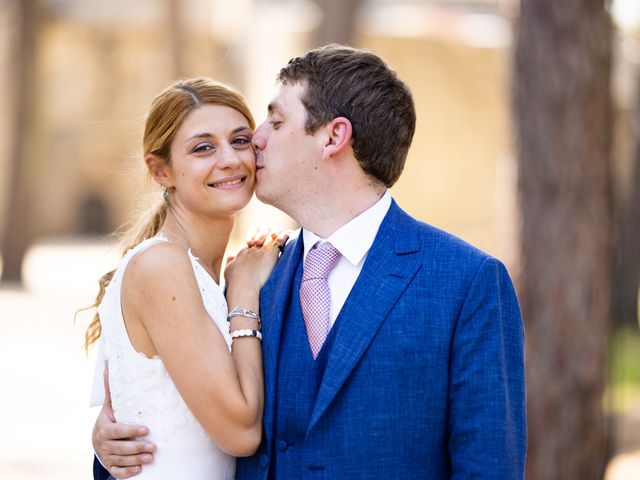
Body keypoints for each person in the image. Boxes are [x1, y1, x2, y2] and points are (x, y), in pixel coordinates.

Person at [93, 45, 526, 479]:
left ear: (334, 137)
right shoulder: (251, 275)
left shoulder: (466, 282)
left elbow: (488, 467)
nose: (255, 140)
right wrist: (110, 445)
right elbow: (168, 418)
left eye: (275, 122)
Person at [86, 77, 288, 479]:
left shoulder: (212, 270)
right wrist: (245, 295)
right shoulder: (162, 266)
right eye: (203, 148)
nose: (230, 159)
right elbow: (242, 433)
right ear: (161, 171)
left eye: (241, 140)